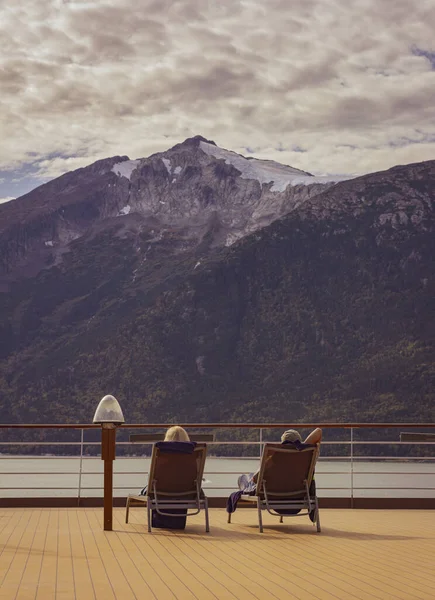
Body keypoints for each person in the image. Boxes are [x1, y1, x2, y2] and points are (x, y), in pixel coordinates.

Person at [228, 427, 322, 516]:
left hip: (272, 497)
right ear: (299, 441)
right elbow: (318, 431)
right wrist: (302, 447)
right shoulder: (307, 457)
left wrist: (266, 460)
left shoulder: (274, 458)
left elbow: (255, 479)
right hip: (297, 496)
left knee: (243, 478)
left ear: (282, 442)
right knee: (250, 477)